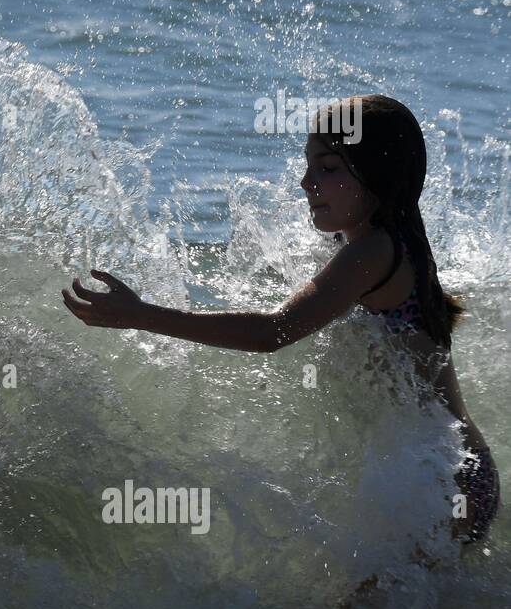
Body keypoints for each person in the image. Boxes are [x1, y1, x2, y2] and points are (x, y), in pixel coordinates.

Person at [62, 94, 498, 542]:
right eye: (308, 165)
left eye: (328, 168)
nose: (306, 182)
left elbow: (273, 331)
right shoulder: (385, 240)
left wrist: (141, 315)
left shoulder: (373, 252)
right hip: (454, 470)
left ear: (377, 174)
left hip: (444, 481)